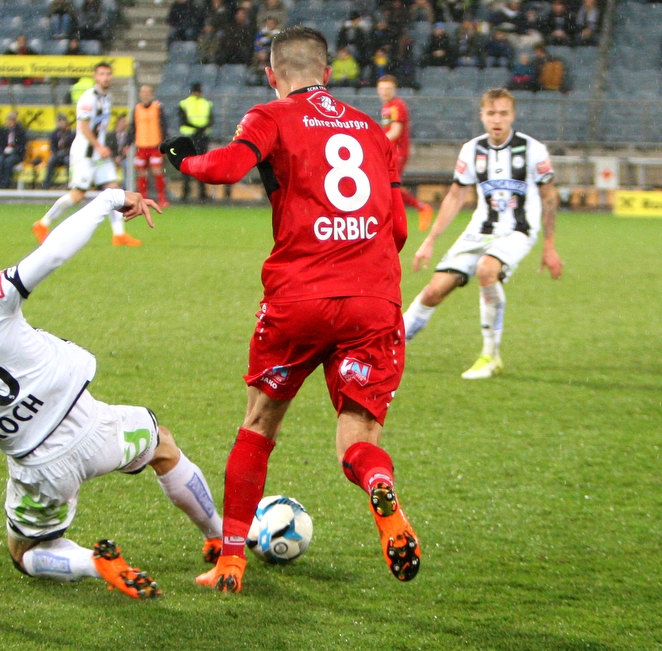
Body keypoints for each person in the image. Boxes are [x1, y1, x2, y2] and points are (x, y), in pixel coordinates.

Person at [159, 26, 420, 593]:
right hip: (372, 300)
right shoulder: (373, 129)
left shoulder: (272, 115)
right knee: (358, 438)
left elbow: (227, 167)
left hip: (298, 298)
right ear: (328, 73)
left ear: (272, 74)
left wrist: (183, 160)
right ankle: (381, 493)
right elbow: (398, 226)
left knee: (258, 424)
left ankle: (230, 563)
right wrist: (363, 271)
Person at [0, 189, 224, 606]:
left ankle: (92, 563)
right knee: (163, 447)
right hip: (95, 426)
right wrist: (108, 200)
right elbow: (53, 253)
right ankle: (219, 536)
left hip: (40, 471)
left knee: (25, 554)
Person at [402, 88, 563, 379]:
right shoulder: (472, 150)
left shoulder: (532, 149)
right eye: (491, 113)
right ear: (482, 116)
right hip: (479, 230)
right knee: (434, 290)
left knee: (486, 270)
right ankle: (391, 348)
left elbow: (549, 196)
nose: (497, 120)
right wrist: (430, 240)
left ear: (513, 115)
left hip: (518, 229)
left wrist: (549, 246)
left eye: (503, 113)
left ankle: (490, 355)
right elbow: (455, 196)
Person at [32, 62, 142, 247]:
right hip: (85, 153)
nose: (105, 77)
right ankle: (42, 223)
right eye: (102, 74)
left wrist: (101, 147)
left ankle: (119, 235)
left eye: (108, 74)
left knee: (115, 190)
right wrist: (99, 146)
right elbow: (83, 127)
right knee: (77, 196)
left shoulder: (107, 98)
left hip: (99, 154)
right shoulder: (88, 98)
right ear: (95, 77)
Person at [377, 75, 434, 230]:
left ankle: (420, 208)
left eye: (388, 89)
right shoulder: (388, 106)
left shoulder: (396, 106)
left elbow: (395, 131)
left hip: (397, 152)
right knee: (386, 185)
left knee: (388, 185)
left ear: (394, 89)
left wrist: (376, 143)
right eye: (382, 89)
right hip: (390, 151)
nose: (384, 92)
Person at [126, 84, 170, 207]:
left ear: (151, 94)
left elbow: (164, 126)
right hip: (141, 146)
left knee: (157, 171)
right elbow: (132, 128)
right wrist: (128, 144)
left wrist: (165, 143)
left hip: (155, 145)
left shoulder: (157, 107)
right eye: (142, 92)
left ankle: (162, 198)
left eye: (147, 92)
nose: (145, 94)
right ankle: (142, 198)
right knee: (141, 173)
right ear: (139, 94)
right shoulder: (136, 109)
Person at [177, 82, 213, 202]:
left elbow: (211, 120)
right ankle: (187, 193)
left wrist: (199, 129)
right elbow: (183, 120)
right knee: (190, 165)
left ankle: (200, 193)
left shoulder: (206, 104)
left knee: (201, 166)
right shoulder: (185, 103)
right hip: (189, 137)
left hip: (200, 137)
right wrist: (200, 129)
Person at [0, 111, 28, 189]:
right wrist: (3, 151)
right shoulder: (2, 131)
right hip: (3, 153)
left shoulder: (20, 132)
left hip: (16, 154)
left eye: (12, 120)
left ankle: (6, 184)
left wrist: (14, 150)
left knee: (9, 162)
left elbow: (22, 146)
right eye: (9, 120)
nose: (10, 122)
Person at [42, 114, 76, 189]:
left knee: (68, 161)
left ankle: (70, 183)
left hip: (67, 154)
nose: (61, 123)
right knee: (51, 160)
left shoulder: (71, 133)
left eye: (63, 121)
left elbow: (72, 147)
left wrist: (65, 153)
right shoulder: (54, 134)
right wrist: (55, 153)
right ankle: (47, 184)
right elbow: (52, 147)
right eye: (60, 122)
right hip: (57, 155)